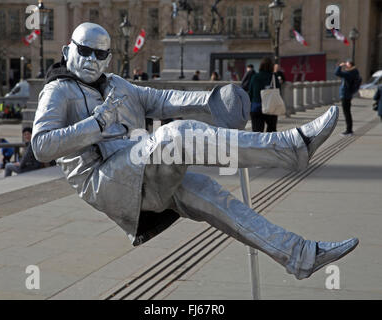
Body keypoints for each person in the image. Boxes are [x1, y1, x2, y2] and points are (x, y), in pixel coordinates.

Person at [31, 23, 358, 280]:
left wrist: (212, 101)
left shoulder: (118, 85)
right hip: (104, 181)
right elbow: (41, 145)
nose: (91, 61)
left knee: (212, 192)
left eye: (100, 55)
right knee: (177, 134)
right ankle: (291, 148)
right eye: (85, 51)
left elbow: (161, 100)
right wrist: (96, 124)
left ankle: (300, 256)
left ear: (109, 58)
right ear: (67, 50)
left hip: (141, 172)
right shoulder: (57, 91)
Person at [249, 57, 281, 132]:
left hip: (256, 107)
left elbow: (250, 92)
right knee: (271, 130)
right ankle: (270, 143)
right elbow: (279, 91)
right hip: (271, 106)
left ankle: (258, 144)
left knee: (257, 132)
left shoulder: (255, 77)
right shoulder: (273, 77)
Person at [334, 60, 361, 136]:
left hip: (345, 94)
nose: (346, 65)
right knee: (347, 112)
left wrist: (340, 66)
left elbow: (337, 73)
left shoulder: (349, 73)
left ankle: (349, 130)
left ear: (350, 65)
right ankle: (349, 130)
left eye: (347, 64)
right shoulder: (355, 72)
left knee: (347, 113)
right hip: (348, 94)